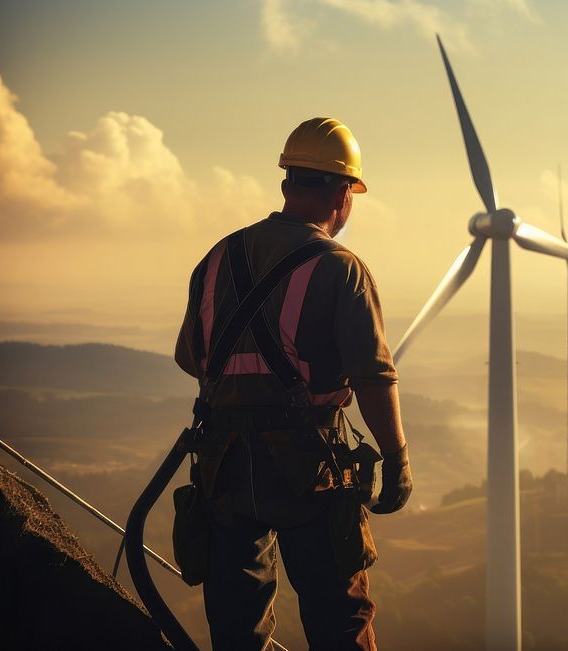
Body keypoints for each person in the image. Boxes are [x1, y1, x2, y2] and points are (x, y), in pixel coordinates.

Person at [174, 117, 412, 651]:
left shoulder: (217, 257)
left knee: (236, 624)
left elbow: (190, 357)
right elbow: (374, 377)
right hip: (310, 468)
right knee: (339, 618)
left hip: (223, 466)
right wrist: (396, 459)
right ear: (345, 192)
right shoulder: (341, 267)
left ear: (287, 184)